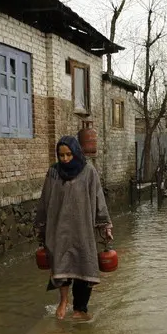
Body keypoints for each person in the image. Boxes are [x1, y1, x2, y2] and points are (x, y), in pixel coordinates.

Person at [35, 135, 113, 320]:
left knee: (84, 266)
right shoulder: (53, 173)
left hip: (82, 230)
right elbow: (44, 201)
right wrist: (41, 228)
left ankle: (80, 308)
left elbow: (98, 199)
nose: (65, 159)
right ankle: (63, 300)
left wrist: (105, 226)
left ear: (76, 152)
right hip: (58, 229)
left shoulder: (88, 171)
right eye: (61, 155)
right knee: (61, 265)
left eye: (69, 154)